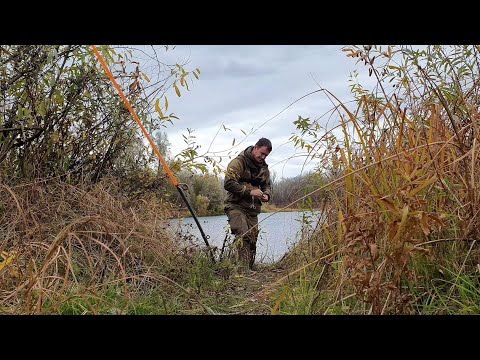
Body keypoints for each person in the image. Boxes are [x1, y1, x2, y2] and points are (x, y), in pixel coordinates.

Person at [224, 138, 272, 270]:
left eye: (266, 155)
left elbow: (267, 185)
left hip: (252, 210)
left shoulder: (264, 168)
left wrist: (266, 195)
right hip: (235, 206)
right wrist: (250, 192)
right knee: (242, 234)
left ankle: (248, 270)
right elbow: (228, 183)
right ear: (255, 147)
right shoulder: (238, 162)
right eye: (261, 153)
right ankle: (241, 270)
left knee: (252, 240)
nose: (263, 157)